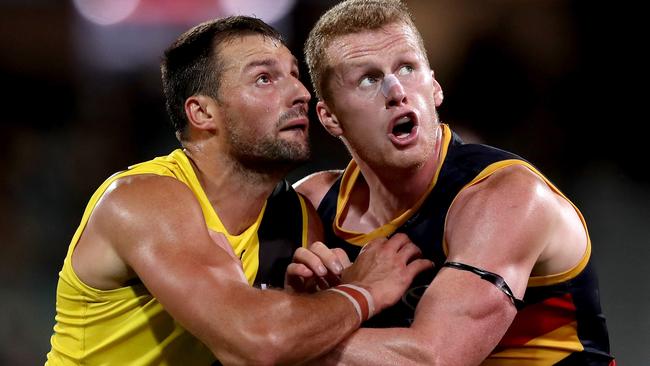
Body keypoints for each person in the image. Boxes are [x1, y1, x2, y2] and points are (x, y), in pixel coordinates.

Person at [45, 15, 433, 365]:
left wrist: (303, 303)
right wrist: (363, 292)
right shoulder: (140, 200)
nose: (300, 93)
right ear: (202, 113)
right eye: (265, 79)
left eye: (295, 74)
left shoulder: (296, 218)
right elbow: (257, 342)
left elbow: (294, 343)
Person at [293, 0, 615, 364]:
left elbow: (434, 358)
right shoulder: (313, 205)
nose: (396, 91)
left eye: (407, 68)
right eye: (368, 79)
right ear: (330, 118)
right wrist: (303, 302)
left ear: (435, 88)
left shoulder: (508, 197)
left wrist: (307, 326)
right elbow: (239, 311)